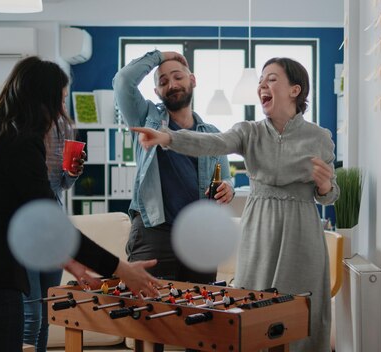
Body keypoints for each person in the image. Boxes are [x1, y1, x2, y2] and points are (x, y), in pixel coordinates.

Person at [0, 56, 160, 352]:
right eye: (60, 101)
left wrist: (72, 265)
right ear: (42, 101)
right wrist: (122, 270)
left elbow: (20, 218)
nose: (61, 110)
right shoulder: (21, 144)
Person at [131, 57, 339, 351]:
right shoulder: (248, 132)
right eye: (260, 81)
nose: (262, 85)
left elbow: (330, 195)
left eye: (271, 79)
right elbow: (210, 143)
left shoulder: (319, 138)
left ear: (295, 89)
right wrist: (168, 138)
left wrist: (325, 185)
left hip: (302, 231)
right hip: (260, 228)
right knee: (254, 306)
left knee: (300, 308)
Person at [113, 50, 234, 352]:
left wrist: (228, 188)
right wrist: (159, 56)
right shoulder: (146, 117)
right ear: (156, 91)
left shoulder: (212, 134)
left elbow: (226, 177)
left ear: (192, 80)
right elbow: (123, 80)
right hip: (154, 231)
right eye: (163, 81)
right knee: (150, 322)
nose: (171, 84)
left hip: (200, 237)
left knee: (201, 322)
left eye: (177, 76)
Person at [23, 96, 86, 352]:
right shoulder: (20, 130)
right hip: (25, 228)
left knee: (46, 309)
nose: (61, 101)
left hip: (53, 224)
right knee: (32, 314)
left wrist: (72, 173)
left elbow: (62, 183)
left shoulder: (63, 127)